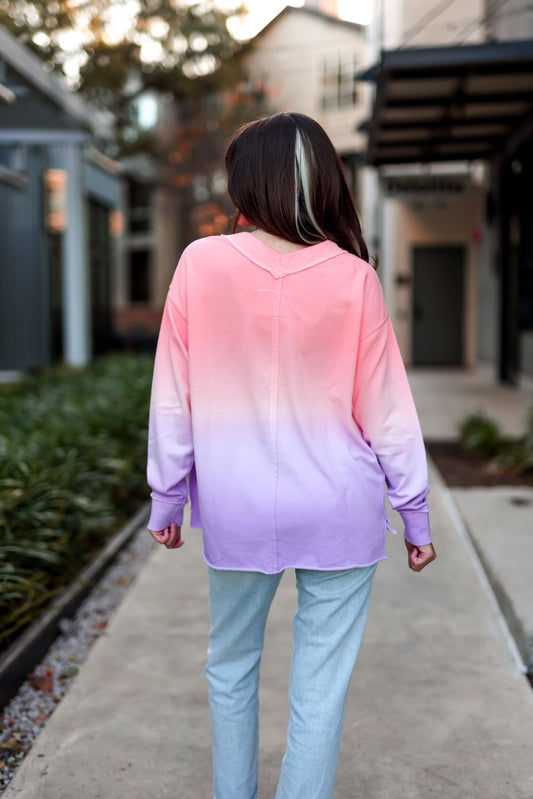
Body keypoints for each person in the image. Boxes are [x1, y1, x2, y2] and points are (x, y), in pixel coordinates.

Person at [147, 111, 436, 799]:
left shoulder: (199, 263)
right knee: (320, 685)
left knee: (230, 667)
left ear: (247, 183)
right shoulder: (354, 277)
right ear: (324, 182)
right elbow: (389, 411)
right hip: (339, 505)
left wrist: (167, 495)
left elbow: (172, 397)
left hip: (236, 504)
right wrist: (414, 514)